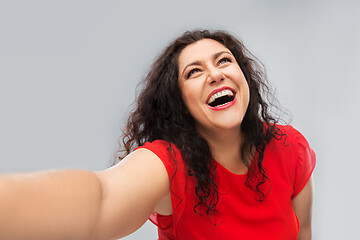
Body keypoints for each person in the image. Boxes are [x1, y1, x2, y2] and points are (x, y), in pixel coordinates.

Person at [0, 30, 315, 240]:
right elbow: (100, 198)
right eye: (194, 71)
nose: (215, 73)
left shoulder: (289, 147)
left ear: (244, 78)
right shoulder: (169, 164)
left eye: (224, 61)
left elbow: (304, 233)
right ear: (180, 101)